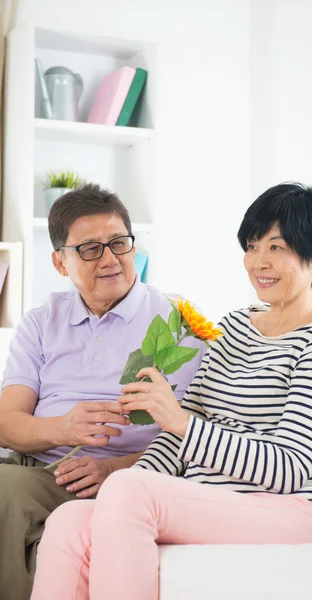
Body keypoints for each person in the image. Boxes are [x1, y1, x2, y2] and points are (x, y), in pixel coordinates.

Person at [31, 182, 312, 600]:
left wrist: (181, 425)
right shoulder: (237, 326)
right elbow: (178, 436)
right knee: (71, 520)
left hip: (303, 505)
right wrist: (140, 470)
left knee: (130, 489)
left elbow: (289, 467)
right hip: (217, 496)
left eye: (277, 248)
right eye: (253, 246)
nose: (260, 262)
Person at [0, 184, 205, 600]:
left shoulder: (178, 323)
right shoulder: (41, 322)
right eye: (90, 249)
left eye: (119, 243)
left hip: (129, 477)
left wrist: (111, 470)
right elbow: (7, 423)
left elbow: (192, 435)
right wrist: (64, 429)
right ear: (60, 261)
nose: (110, 259)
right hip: (40, 468)